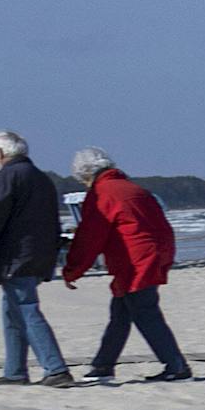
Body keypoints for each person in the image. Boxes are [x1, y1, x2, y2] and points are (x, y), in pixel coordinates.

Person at [63, 148, 192, 382]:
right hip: (153, 254)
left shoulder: (102, 194)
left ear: (85, 175)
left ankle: (176, 366)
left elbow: (90, 236)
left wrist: (73, 269)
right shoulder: (135, 189)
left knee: (145, 312)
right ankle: (103, 365)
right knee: (121, 312)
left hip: (135, 260)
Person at [0, 130, 72, 387]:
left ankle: (55, 368)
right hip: (39, 253)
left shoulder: (6, 177)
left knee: (25, 308)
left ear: (1, 153)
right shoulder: (42, 179)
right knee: (11, 310)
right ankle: (15, 370)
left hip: (17, 255)